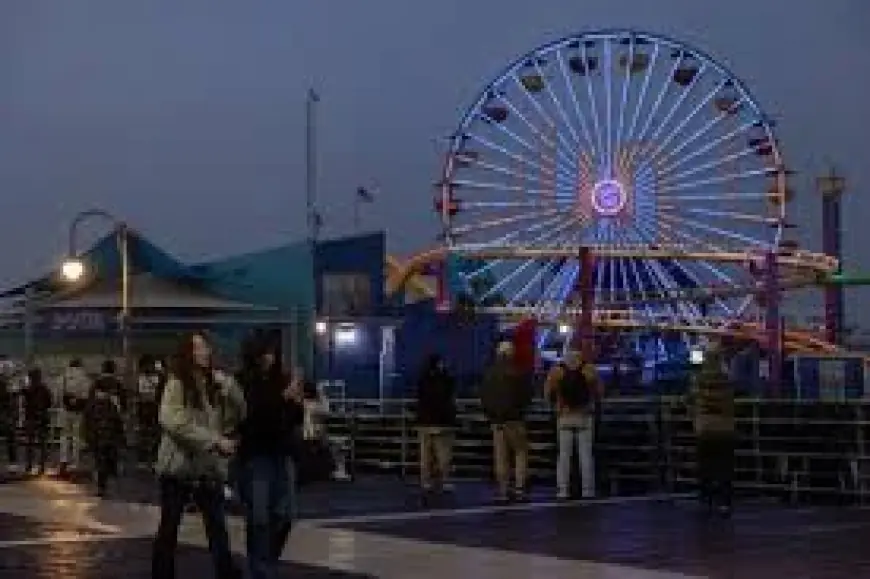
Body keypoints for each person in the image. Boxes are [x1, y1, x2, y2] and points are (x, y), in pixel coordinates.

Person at [151, 331, 245, 579]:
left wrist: (230, 387)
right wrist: (214, 441)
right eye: (199, 348)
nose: (205, 352)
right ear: (188, 353)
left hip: (207, 468)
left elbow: (238, 414)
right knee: (169, 529)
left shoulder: (214, 384)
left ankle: (226, 572)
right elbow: (173, 421)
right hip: (178, 467)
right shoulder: (177, 382)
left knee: (217, 528)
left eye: (206, 347)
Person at [236, 332, 304, 579]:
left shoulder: (281, 380)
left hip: (281, 452)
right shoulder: (244, 382)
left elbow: (294, 419)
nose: (270, 357)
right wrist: (283, 398)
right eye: (265, 352)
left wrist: (296, 402)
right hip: (256, 455)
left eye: (272, 352)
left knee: (285, 514)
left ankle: (264, 562)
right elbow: (252, 417)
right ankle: (261, 569)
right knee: (260, 517)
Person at [479, 341, 533, 503]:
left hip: (496, 421)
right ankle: (519, 488)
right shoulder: (518, 372)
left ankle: (502, 490)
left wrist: (491, 415)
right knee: (520, 453)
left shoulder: (489, 373)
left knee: (500, 456)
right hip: (515, 420)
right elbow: (526, 396)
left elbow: (484, 397)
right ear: (511, 353)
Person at [687, 341, 736, 516]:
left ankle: (706, 500)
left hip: (704, 428)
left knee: (705, 466)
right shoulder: (727, 378)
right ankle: (725, 502)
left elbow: (690, 399)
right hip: (726, 428)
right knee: (725, 468)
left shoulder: (698, 379)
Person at [544, 349, 601, 500]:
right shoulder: (589, 370)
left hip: (564, 416)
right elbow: (599, 392)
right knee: (586, 455)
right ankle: (588, 490)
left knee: (563, 455)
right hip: (584, 415)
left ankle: (563, 490)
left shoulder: (556, 371)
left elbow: (547, 393)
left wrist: (556, 404)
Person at [414, 354, 456, 496]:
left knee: (425, 455)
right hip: (441, 422)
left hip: (423, 422)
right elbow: (448, 398)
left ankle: (426, 481)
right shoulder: (445, 379)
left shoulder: (422, 379)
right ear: (439, 364)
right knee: (443, 454)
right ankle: (444, 480)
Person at [83, 376, 125, 497]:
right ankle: (105, 485)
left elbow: (87, 421)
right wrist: (120, 438)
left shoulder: (92, 404)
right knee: (107, 461)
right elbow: (117, 422)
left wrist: (88, 437)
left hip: (97, 437)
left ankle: (101, 486)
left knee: (99, 461)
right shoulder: (111, 404)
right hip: (109, 437)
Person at [59, 358, 91, 476]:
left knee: (64, 435)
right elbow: (87, 394)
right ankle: (75, 462)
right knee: (76, 437)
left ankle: (63, 460)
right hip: (79, 410)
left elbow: (59, 392)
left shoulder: (65, 375)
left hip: (66, 409)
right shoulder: (84, 377)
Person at [23, 368, 51, 475]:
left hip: (30, 418)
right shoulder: (45, 389)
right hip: (42, 418)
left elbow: (24, 401)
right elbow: (49, 402)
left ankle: (29, 466)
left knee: (29, 443)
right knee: (42, 443)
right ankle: (42, 466)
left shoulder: (28, 389)